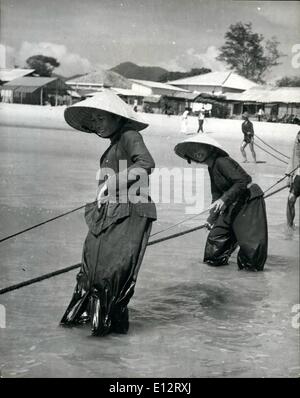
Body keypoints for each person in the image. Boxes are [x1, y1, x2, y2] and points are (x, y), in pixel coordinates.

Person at [61, 89, 157, 336]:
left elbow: (146, 164)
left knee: (108, 275)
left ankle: (102, 336)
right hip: (114, 212)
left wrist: (111, 184)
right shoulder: (115, 143)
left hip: (129, 213)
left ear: (117, 118)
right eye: (93, 120)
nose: (96, 125)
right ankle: (96, 342)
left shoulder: (129, 134)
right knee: (91, 270)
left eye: (101, 118)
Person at [174, 135, 268, 271]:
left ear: (211, 149)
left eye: (200, 148)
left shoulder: (222, 161)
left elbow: (244, 180)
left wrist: (224, 200)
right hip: (232, 203)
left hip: (249, 202)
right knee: (215, 243)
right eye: (192, 151)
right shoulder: (211, 167)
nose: (196, 152)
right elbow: (216, 194)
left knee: (251, 257)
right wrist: (211, 218)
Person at [286, 131, 300, 230]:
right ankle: (290, 227)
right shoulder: (298, 135)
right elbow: (294, 156)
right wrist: (289, 175)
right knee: (291, 199)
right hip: (298, 174)